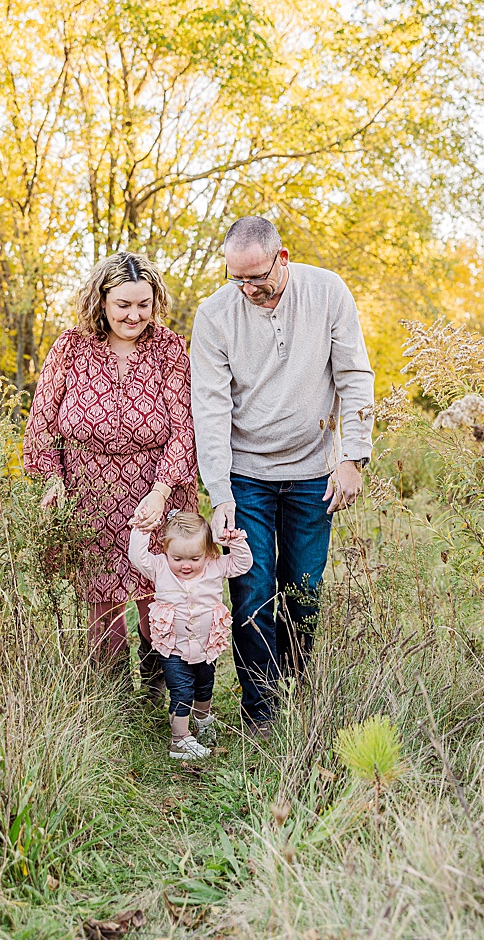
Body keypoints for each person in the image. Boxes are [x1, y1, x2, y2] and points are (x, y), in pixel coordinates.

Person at [190, 216, 373, 734]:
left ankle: (296, 692)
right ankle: (262, 711)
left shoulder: (327, 291)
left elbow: (354, 376)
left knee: (303, 589)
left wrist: (352, 456)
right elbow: (210, 406)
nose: (248, 289)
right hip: (246, 474)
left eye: (258, 278)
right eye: (237, 279)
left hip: (314, 471)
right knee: (252, 590)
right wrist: (220, 491)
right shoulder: (215, 316)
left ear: (283, 258)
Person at [23, 250, 197, 696]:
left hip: (156, 483)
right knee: (101, 594)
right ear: (101, 300)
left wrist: (161, 492)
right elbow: (42, 421)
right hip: (89, 487)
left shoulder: (170, 348)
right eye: (123, 304)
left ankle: (161, 686)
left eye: (144, 304)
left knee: (155, 589)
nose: (134, 315)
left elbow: (184, 426)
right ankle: (112, 696)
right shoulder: (70, 347)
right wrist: (52, 479)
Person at [126, 512, 252, 761]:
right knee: (181, 692)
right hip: (173, 647)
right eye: (178, 558)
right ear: (165, 551)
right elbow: (138, 557)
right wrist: (142, 529)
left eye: (195, 558)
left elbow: (242, 564)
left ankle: (203, 721)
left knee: (204, 688)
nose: (186, 565)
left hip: (206, 646)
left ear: (209, 552)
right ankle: (179, 741)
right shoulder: (161, 567)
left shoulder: (215, 565)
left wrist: (234, 541)